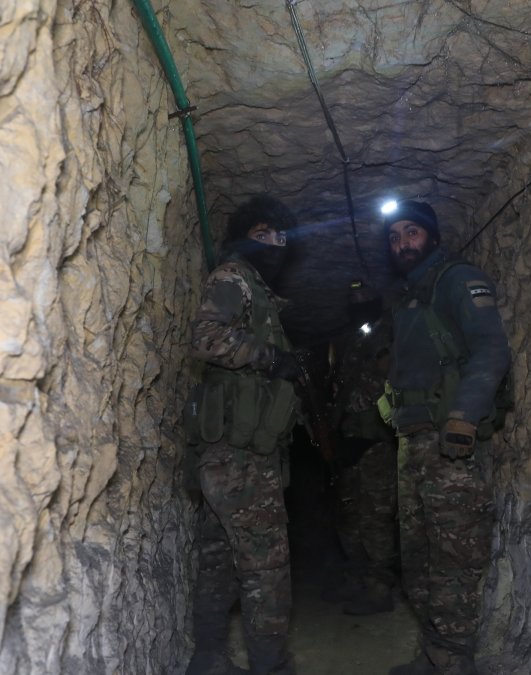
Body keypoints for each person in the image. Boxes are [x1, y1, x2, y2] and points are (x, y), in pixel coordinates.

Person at [381, 200, 511, 675]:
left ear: (432, 237)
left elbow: (491, 348)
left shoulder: (456, 280)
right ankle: (434, 653)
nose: (402, 244)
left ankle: (455, 662)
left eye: (411, 233)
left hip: (448, 439)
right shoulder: (407, 295)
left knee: (455, 557)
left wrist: (463, 416)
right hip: (412, 438)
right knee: (418, 555)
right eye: (394, 238)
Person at [185, 194, 302, 675]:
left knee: (218, 559)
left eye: (281, 236)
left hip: (230, 451)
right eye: (263, 234)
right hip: (239, 457)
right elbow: (206, 337)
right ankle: (269, 666)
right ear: (243, 238)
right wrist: (271, 358)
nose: (275, 243)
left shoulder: (257, 290)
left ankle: (210, 658)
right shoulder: (235, 278)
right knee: (265, 566)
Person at [323, 281, 399, 616]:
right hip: (350, 437)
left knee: (376, 516)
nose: (359, 302)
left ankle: (379, 587)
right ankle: (357, 576)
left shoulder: (389, 334)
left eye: (364, 296)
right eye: (352, 297)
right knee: (349, 513)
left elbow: (386, 379)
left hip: (377, 439)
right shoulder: (350, 339)